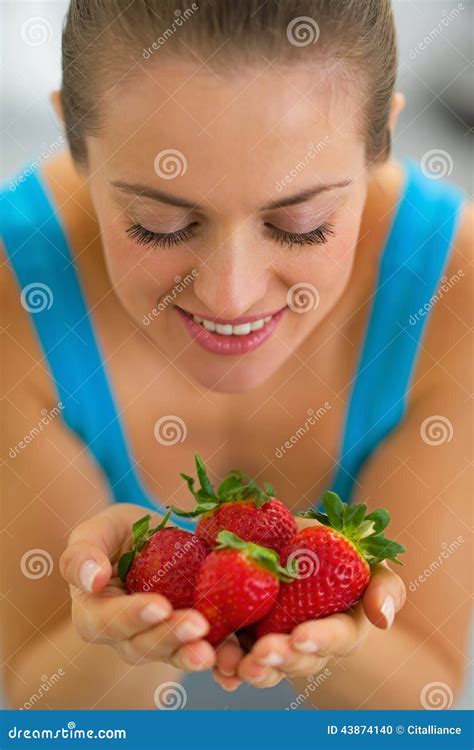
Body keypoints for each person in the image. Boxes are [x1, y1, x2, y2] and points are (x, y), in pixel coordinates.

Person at [1, 0, 471, 710]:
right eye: (160, 225)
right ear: (75, 137)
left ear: (381, 142)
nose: (229, 295)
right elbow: (43, 701)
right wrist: (120, 634)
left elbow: (426, 694)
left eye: (301, 224)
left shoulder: (450, 292)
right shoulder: (18, 289)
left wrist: (343, 639)